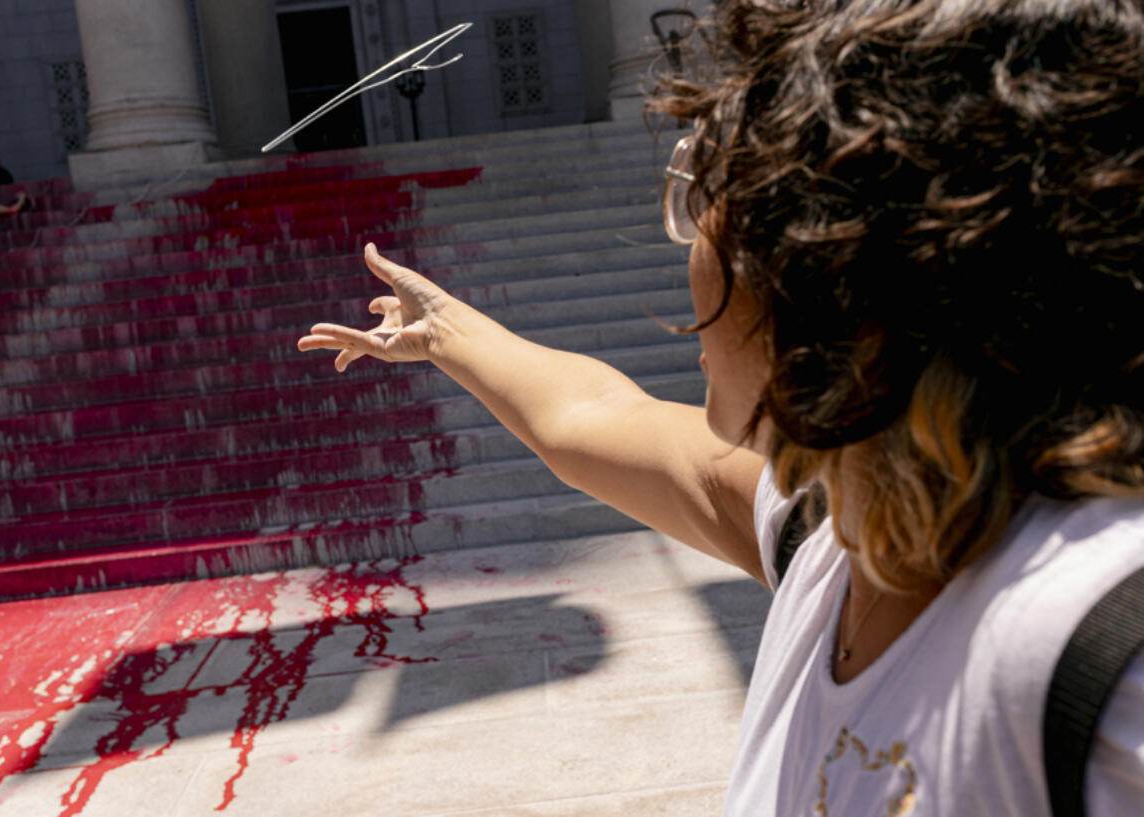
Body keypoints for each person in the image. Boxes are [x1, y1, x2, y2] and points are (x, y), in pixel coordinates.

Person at [298, 0, 1144, 813]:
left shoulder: (1104, 659)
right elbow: (593, 417)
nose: (688, 229)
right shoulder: (838, 530)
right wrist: (445, 329)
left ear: (841, 265)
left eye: (708, 188)